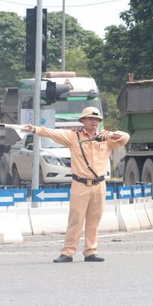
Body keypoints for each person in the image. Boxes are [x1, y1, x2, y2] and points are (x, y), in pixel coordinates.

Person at [24, 106, 129, 263]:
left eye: (97, 120)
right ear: (83, 121)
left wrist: (111, 134)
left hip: (99, 184)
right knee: (76, 219)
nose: (94, 122)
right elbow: (53, 133)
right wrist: (35, 129)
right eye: (91, 119)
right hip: (80, 184)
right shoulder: (74, 137)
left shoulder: (106, 139)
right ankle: (67, 252)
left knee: (95, 219)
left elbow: (125, 137)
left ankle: (90, 251)